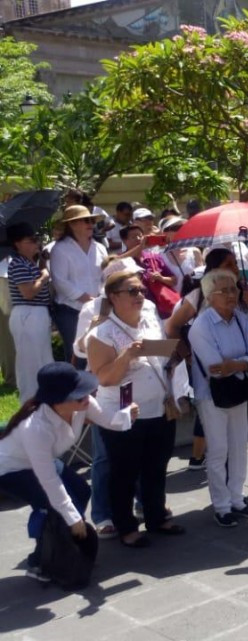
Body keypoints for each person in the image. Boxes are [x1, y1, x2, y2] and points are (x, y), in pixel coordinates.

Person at [0, 362, 136, 581]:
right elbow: (49, 480)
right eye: (78, 394)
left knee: (81, 491)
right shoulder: (35, 428)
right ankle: (40, 561)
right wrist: (72, 518)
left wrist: (127, 412)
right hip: (11, 469)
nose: (86, 396)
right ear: (57, 400)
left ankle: (64, 545)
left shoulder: (83, 404)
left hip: (40, 461)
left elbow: (110, 421)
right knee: (52, 506)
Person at [86, 271, 185, 547]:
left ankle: (156, 516)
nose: (140, 295)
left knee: (156, 466)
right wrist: (127, 355)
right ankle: (126, 525)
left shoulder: (150, 320)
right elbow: (104, 378)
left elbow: (163, 355)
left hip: (158, 407)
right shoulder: (101, 334)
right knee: (124, 472)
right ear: (113, 297)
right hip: (123, 413)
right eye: (132, 291)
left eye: (141, 290)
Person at [189, 270, 248, 527]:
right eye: (224, 291)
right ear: (209, 296)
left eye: (233, 289)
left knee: (239, 446)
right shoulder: (200, 326)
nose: (231, 295)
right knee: (218, 449)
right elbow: (214, 366)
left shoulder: (242, 320)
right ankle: (222, 506)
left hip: (239, 391)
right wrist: (245, 365)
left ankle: (238, 499)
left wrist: (238, 365)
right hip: (213, 396)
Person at [50, 205, 108, 363]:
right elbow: (59, 280)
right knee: (77, 352)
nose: (91, 224)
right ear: (72, 224)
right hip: (70, 310)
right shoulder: (60, 249)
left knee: (99, 349)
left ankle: (97, 386)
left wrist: (101, 297)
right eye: (85, 220)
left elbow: (106, 276)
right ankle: (77, 386)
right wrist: (84, 298)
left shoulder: (101, 248)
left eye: (92, 220)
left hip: (97, 308)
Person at [5, 223, 53, 403]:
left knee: (42, 359)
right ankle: (29, 401)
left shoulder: (29, 263)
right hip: (27, 313)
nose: (37, 243)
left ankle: (41, 399)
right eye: (31, 240)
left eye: (37, 239)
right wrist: (44, 276)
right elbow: (28, 292)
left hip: (37, 314)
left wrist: (42, 263)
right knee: (29, 363)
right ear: (18, 243)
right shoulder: (17, 263)